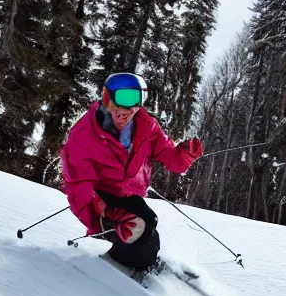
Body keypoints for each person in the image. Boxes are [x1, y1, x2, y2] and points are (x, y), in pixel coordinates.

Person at [61, 72, 203, 273]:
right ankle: (121, 261)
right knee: (139, 223)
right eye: (123, 100)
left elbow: (172, 160)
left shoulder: (146, 129)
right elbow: (78, 185)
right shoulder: (84, 135)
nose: (127, 110)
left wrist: (186, 152)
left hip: (129, 196)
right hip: (102, 199)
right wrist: (97, 217)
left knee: (147, 223)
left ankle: (144, 259)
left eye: (136, 102)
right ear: (107, 98)